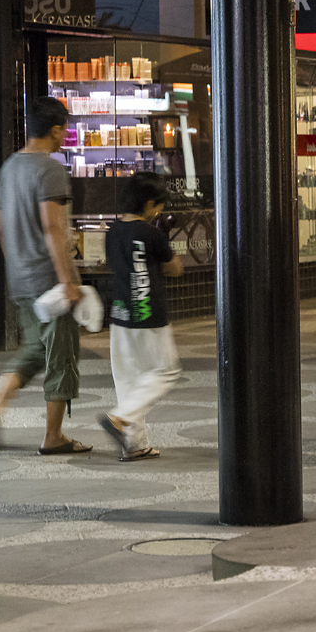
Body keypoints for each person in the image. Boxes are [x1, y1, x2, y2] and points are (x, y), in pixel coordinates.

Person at [0, 98, 92, 454]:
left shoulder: (8, 169)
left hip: (21, 278)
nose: (65, 135)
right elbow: (53, 228)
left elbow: (2, 228)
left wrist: (17, 267)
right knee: (62, 357)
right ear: (54, 130)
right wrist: (67, 280)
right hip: (49, 281)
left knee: (36, 350)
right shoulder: (50, 169)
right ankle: (53, 437)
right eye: (64, 129)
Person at [96, 173, 181, 461]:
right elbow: (174, 268)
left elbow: (111, 265)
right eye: (158, 205)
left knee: (128, 380)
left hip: (120, 314)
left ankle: (134, 444)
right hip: (149, 314)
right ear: (148, 203)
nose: (159, 211)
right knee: (164, 371)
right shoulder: (151, 234)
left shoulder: (113, 232)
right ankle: (120, 417)